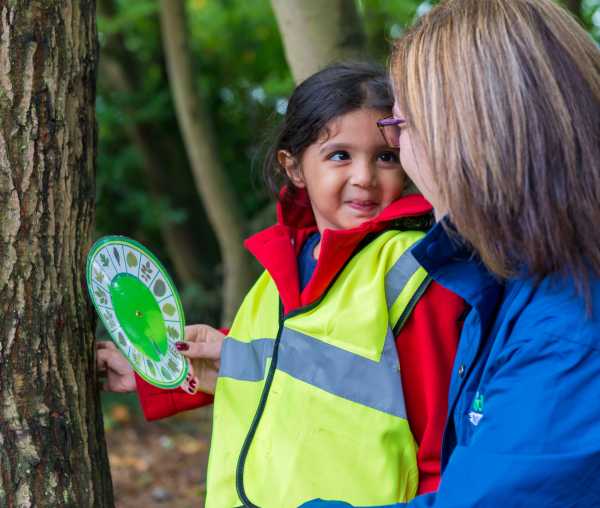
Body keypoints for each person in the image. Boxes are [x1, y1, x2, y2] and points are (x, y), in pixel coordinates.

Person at [98, 62, 465, 507]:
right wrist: (149, 370)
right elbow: (272, 371)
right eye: (339, 155)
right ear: (293, 167)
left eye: (385, 156)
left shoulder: (412, 268)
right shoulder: (278, 273)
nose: (365, 177)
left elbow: (443, 437)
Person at [302, 0, 600, 507]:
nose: (402, 158)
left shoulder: (567, 327)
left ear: (467, 135)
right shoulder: (510, 284)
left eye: (400, 130)